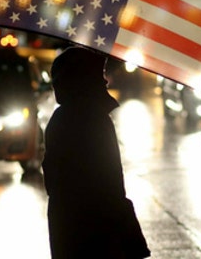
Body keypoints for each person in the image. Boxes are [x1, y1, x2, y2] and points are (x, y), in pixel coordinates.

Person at [42, 46, 150, 259]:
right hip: (98, 232)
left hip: (69, 229)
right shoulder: (95, 120)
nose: (105, 81)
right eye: (98, 75)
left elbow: (52, 181)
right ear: (83, 80)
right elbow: (111, 184)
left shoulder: (60, 119)